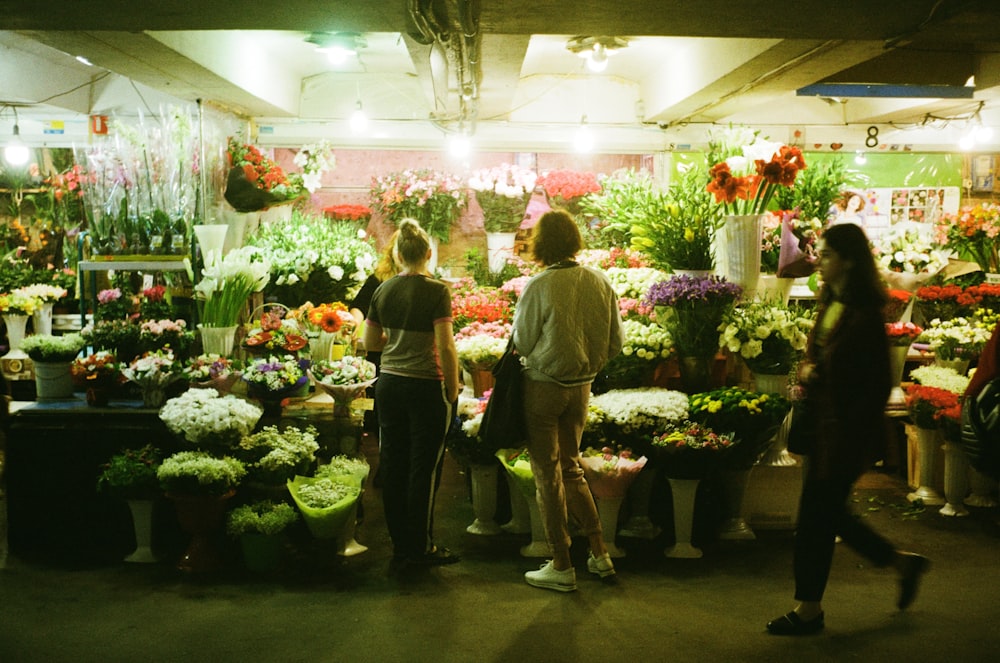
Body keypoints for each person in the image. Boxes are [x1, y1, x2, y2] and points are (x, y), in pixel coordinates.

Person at [767, 222, 930, 635]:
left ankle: (809, 610)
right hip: (823, 428)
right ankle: (902, 564)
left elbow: (873, 384)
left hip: (843, 434)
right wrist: (811, 370)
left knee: (816, 520)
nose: (818, 261)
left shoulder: (864, 316)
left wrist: (822, 379)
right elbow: (823, 357)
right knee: (829, 516)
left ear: (850, 261)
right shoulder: (831, 301)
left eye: (825, 254)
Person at [512, 209, 624, 592]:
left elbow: (522, 342)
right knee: (572, 467)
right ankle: (599, 552)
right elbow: (616, 343)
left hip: (543, 387)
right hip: (581, 389)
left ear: (542, 243)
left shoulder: (539, 285)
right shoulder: (600, 280)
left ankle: (561, 562)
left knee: (547, 473)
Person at [363, 219, 460, 567]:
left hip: (389, 385)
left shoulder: (383, 290)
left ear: (398, 255)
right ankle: (422, 547)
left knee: (392, 463)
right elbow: (446, 346)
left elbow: (369, 343)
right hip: (425, 387)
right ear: (429, 254)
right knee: (424, 468)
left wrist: (396, 340)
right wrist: (452, 389)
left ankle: (400, 545)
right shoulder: (437, 291)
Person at [351, 230, 401, 433]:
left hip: (400, 352)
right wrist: (354, 322)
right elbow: (358, 306)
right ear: (392, 251)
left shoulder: (424, 282)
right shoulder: (378, 279)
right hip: (378, 351)